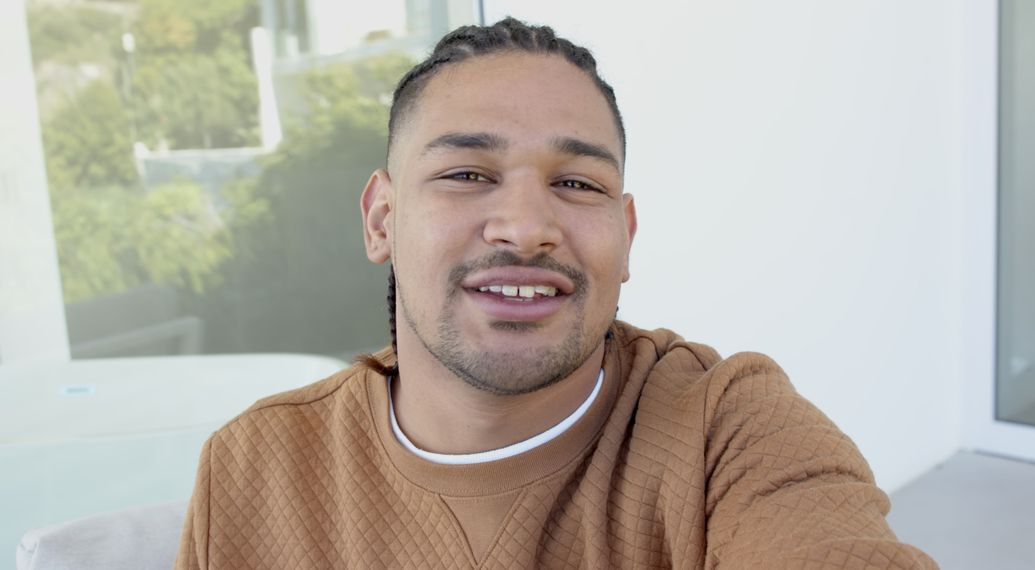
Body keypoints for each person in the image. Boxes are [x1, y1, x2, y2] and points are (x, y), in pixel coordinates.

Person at [174, 17, 937, 569]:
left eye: (576, 183)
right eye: (468, 174)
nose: (527, 227)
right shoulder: (253, 469)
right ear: (382, 219)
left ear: (626, 235)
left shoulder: (726, 429)